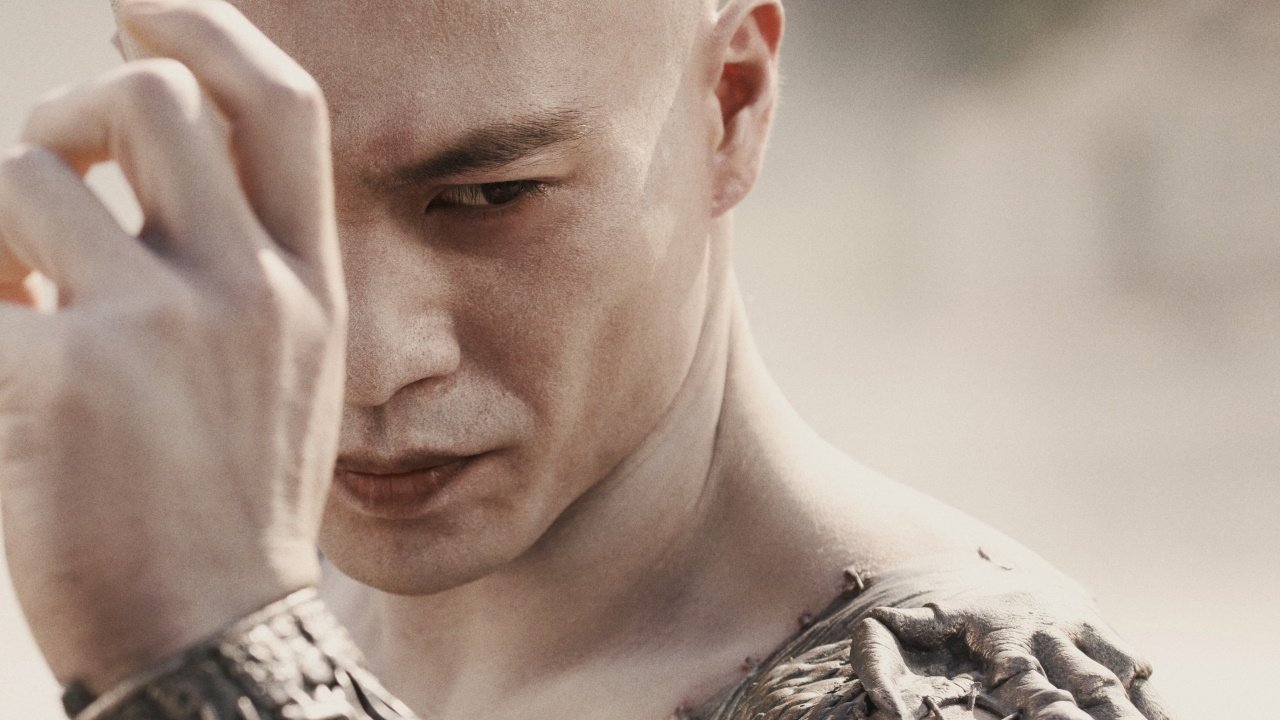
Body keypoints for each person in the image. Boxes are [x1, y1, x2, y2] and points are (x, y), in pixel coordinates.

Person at [0, 1, 1175, 718]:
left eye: (489, 195)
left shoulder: (971, 692)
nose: (364, 364)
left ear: (730, 105)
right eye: (260, 197)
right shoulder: (245, 574)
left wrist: (207, 660)